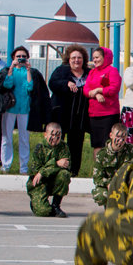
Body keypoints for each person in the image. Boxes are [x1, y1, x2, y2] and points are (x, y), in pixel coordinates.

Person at [48, 45, 92, 176]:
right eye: (73, 58)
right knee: (57, 142)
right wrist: (66, 83)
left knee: (76, 145)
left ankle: (73, 171)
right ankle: (53, 168)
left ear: (83, 59)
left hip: (80, 117)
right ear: (69, 59)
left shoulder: (89, 73)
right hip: (62, 114)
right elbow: (52, 83)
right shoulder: (61, 71)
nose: (76, 60)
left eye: (79, 58)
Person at [84, 46, 122, 161]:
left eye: (97, 57)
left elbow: (114, 88)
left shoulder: (112, 71)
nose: (95, 60)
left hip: (109, 113)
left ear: (105, 58)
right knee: (97, 144)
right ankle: (97, 169)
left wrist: (99, 90)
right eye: (93, 58)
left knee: (108, 143)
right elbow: (86, 90)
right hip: (94, 114)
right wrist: (95, 94)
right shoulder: (92, 72)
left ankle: (109, 168)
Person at [27, 122, 71, 217]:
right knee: (44, 212)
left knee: (64, 174)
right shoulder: (39, 148)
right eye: (52, 135)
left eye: (58, 135)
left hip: (54, 180)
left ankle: (56, 205)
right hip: (39, 183)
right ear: (45, 134)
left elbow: (66, 165)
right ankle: (37, 203)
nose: (55, 138)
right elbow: (36, 171)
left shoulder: (64, 147)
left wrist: (46, 170)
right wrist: (56, 163)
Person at [91, 123, 133, 206]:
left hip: (125, 184)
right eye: (118, 136)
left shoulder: (132, 151)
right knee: (102, 196)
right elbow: (97, 178)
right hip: (108, 185)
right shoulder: (102, 154)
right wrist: (110, 183)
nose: (120, 140)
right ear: (111, 135)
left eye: (123, 137)